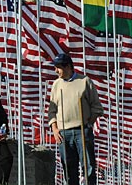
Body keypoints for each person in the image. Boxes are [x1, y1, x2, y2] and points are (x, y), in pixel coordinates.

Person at [47, 52, 104, 185]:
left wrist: (88, 124)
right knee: (68, 169)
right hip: (63, 133)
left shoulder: (84, 81)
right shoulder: (56, 85)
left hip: (82, 131)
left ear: (68, 67)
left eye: (58, 67)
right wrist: (54, 129)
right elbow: (51, 111)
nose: (56, 71)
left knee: (88, 167)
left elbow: (97, 107)